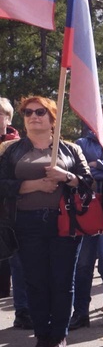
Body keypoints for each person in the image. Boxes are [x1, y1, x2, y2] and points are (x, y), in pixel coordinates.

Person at [0, 96, 92, 347]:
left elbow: (88, 184)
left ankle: (59, 335)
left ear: (53, 119)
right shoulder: (11, 150)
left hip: (64, 222)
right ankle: (42, 337)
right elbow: (1, 184)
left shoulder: (71, 150)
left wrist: (67, 177)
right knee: (35, 282)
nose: (33, 116)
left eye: (40, 112)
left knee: (62, 281)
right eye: (28, 112)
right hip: (26, 224)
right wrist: (33, 186)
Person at [69, 100, 103, 330]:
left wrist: (99, 164)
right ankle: (80, 312)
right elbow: (81, 172)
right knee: (83, 264)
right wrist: (102, 170)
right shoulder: (81, 143)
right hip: (87, 209)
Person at [0, 97, 30, 328]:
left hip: (12, 211)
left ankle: (23, 310)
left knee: (18, 262)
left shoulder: (18, 146)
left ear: (8, 118)